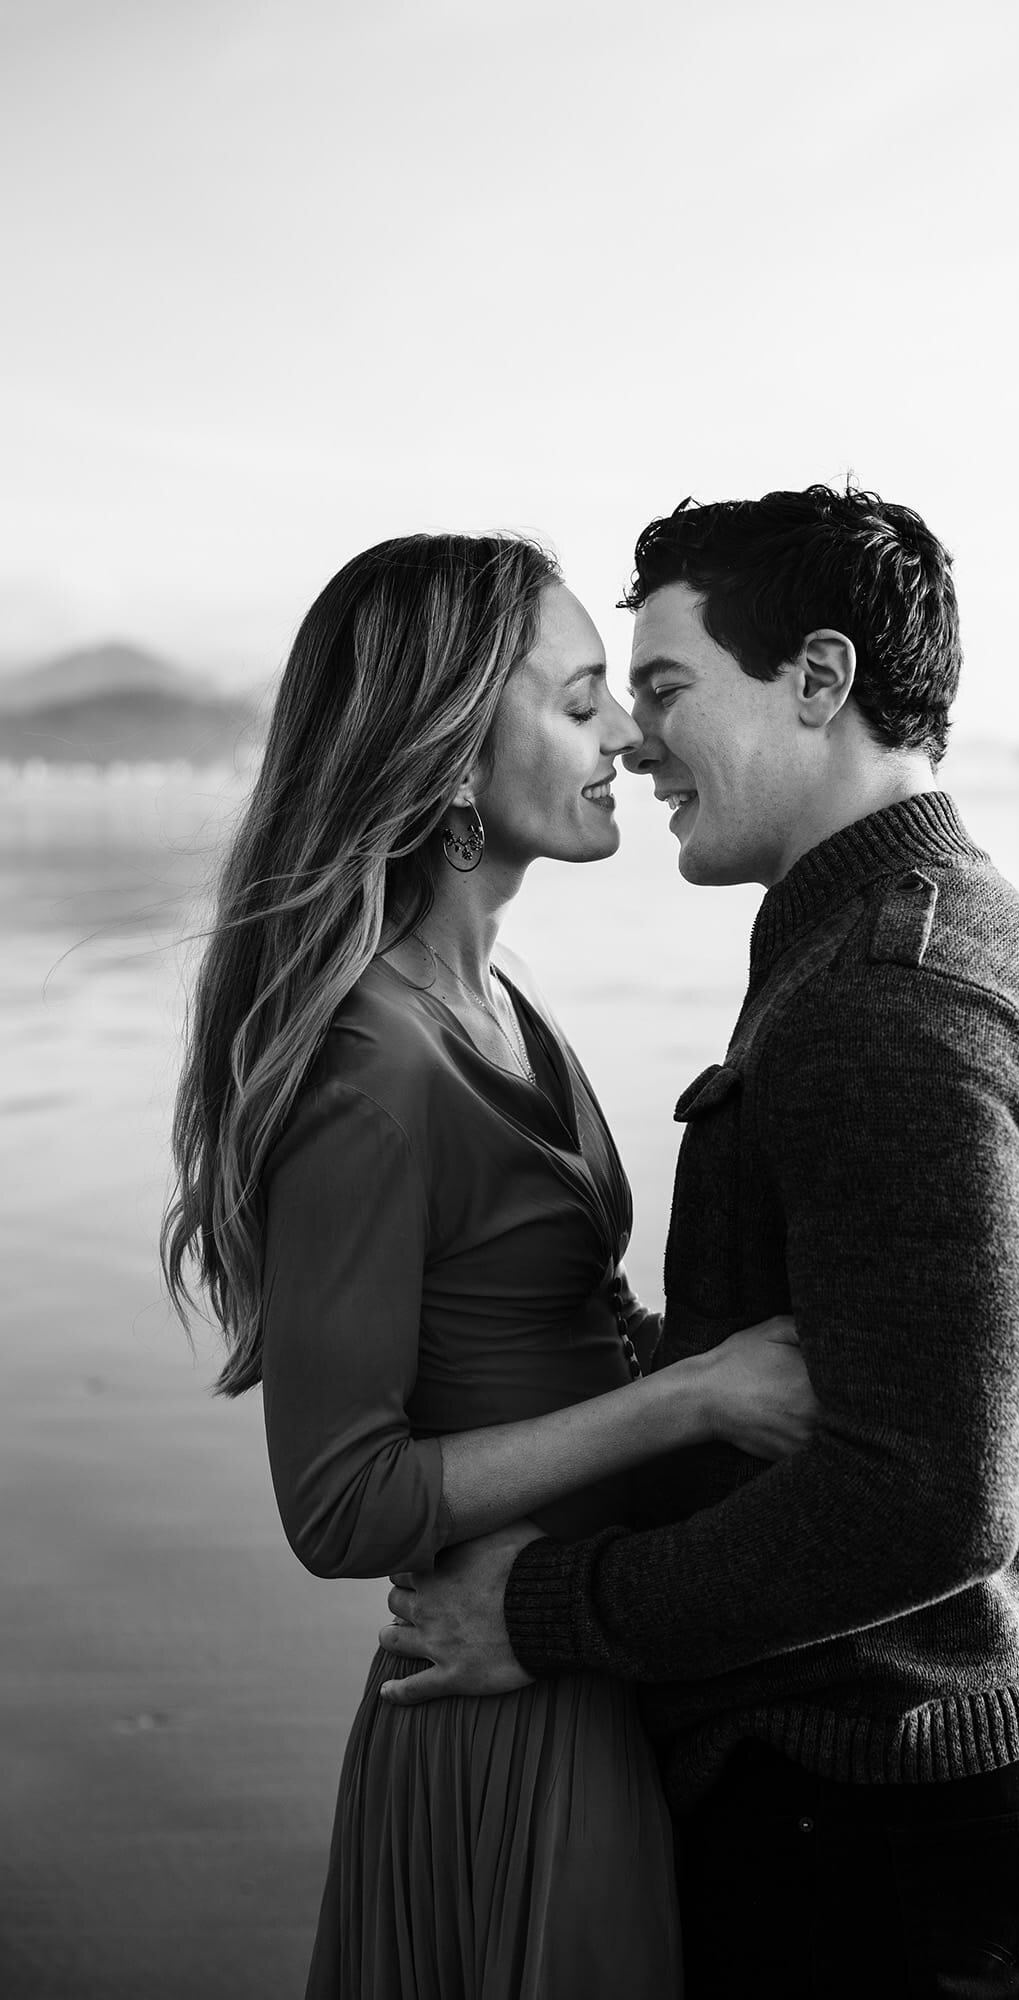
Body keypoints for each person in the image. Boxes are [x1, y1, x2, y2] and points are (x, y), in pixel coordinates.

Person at [380, 487, 1019, 1998]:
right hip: (934, 1760)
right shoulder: (950, 929)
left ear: (821, 681)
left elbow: (920, 1508)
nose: (635, 741)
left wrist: (544, 1614)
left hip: (868, 1796)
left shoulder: (887, 995)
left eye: (661, 688)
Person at [160, 531, 823, 2000]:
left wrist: (955, 1289)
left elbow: (583, 1336)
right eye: (582, 700)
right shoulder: (369, 1071)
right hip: (500, 1716)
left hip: (579, 1658)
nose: (629, 738)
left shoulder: (498, 1002)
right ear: (456, 755)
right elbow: (339, 1504)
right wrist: (696, 1399)